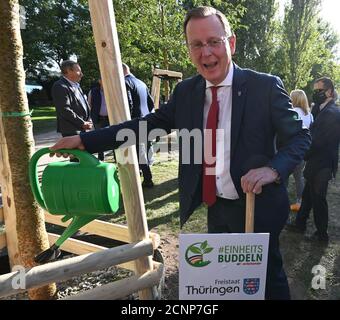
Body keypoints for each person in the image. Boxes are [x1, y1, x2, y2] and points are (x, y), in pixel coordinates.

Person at [50, 6, 311, 299]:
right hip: (216, 207)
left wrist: (273, 169)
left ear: (231, 43)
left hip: (257, 207)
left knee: (266, 281)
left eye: (214, 41)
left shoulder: (264, 87)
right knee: (228, 285)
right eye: (196, 45)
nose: (206, 53)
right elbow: (147, 125)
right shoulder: (187, 91)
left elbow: (301, 138)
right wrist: (86, 140)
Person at [288, 77, 340, 243]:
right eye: (315, 90)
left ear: (330, 92)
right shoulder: (319, 109)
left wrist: (301, 153)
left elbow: (319, 141)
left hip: (323, 163)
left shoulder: (333, 113)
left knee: (318, 198)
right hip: (314, 161)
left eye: (319, 91)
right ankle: (300, 224)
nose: (316, 94)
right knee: (308, 195)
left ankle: (322, 234)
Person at [123, 63, 155, 188]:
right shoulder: (141, 82)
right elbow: (150, 103)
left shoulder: (125, 83)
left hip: (134, 122)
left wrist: (127, 121)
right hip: (145, 120)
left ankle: (147, 179)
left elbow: (129, 104)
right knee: (144, 150)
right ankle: (144, 175)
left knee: (139, 152)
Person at [52, 60, 92, 138]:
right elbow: (64, 109)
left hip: (83, 129)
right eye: (79, 71)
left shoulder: (77, 85)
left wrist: (88, 120)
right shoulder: (60, 86)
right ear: (69, 71)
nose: (82, 74)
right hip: (72, 131)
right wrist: (82, 123)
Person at [289, 90, 313, 212]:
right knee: (299, 177)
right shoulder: (309, 114)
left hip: (291, 149)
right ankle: (300, 200)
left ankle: (281, 200)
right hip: (303, 150)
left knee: (283, 176)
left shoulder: (293, 112)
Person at [88, 78, 109, 160]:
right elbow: (89, 105)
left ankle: (116, 158)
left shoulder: (111, 90)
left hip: (110, 118)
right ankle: (101, 158)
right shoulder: (93, 92)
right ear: (99, 81)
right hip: (98, 119)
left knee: (113, 137)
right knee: (99, 138)